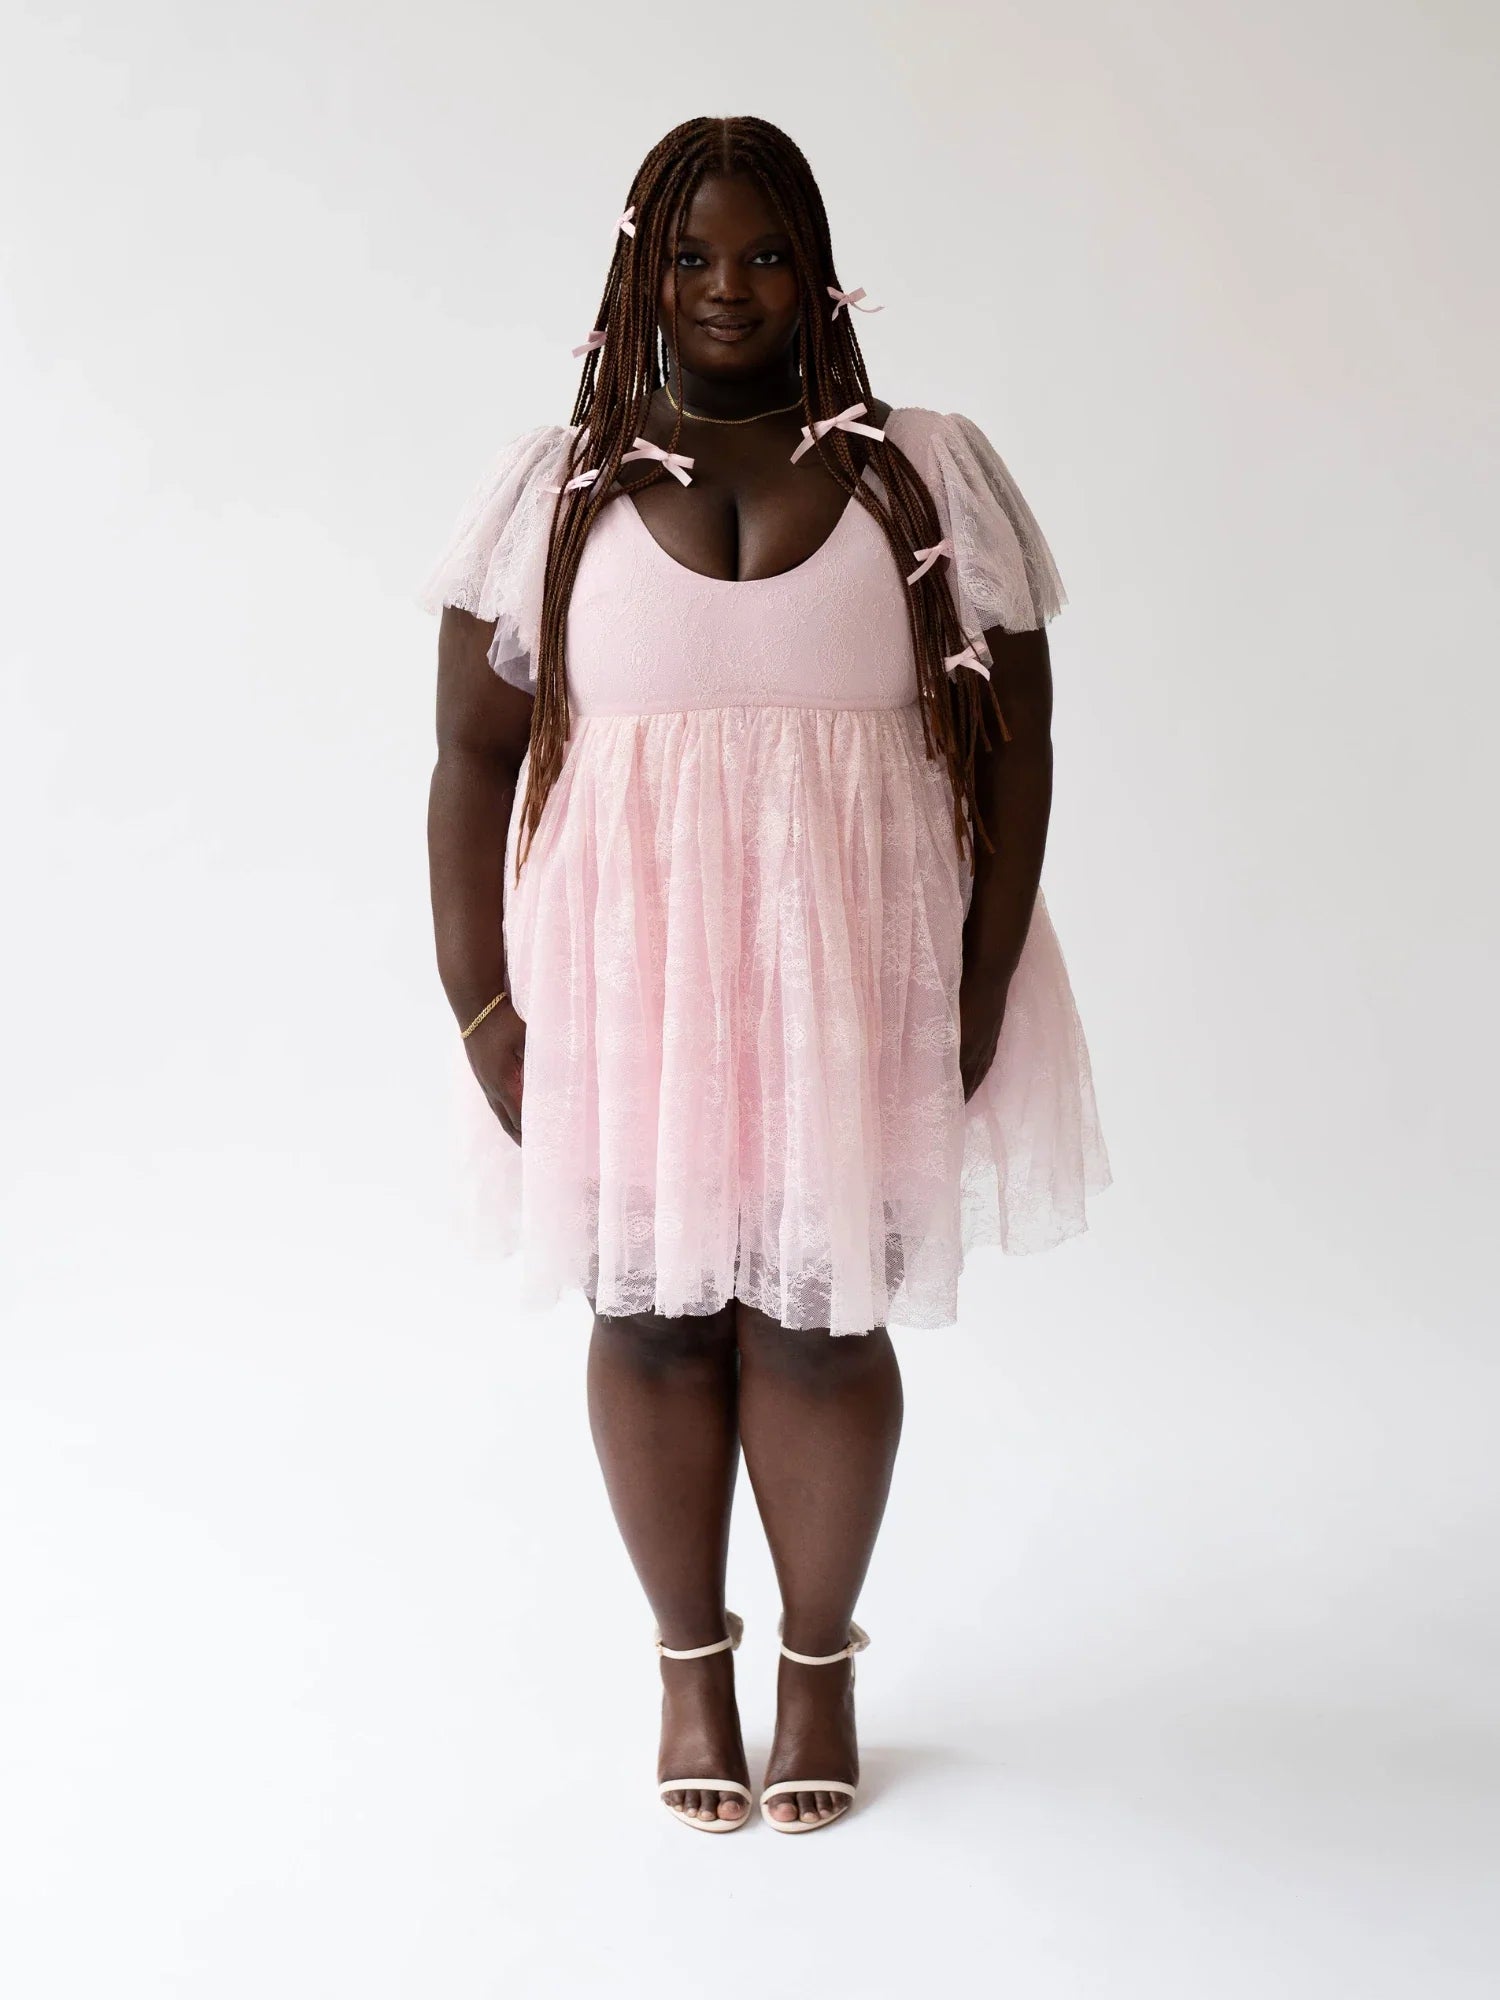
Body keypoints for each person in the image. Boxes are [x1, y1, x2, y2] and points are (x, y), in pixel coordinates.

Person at [422, 115, 1110, 1834]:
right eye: (696, 257)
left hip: (852, 972)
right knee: (650, 1315)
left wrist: (984, 966)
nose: (731, 289)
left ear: (821, 269)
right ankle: (686, 1669)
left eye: (766, 255)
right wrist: (483, 1007)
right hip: (625, 986)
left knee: (820, 1316)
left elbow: (1020, 744)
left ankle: (818, 1664)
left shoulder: (925, 475)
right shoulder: (557, 488)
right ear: (640, 276)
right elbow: (465, 755)